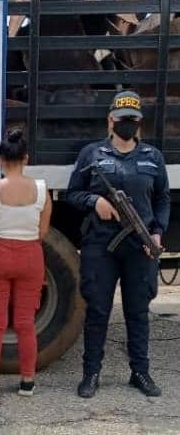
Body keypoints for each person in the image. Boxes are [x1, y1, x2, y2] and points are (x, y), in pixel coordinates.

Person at [66, 90, 170, 398]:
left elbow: (162, 198)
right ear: (110, 120)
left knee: (137, 311)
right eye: (122, 119)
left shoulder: (152, 157)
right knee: (98, 311)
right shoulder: (92, 154)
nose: (127, 124)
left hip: (140, 245)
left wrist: (157, 233)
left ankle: (140, 372)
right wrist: (95, 201)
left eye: (133, 120)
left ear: (139, 123)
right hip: (101, 244)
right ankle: (91, 374)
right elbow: (73, 194)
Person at [0, 129, 52, 399]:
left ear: (0, 159)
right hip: (30, 255)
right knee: (25, 323)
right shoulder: (42, 189)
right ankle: (27, 382)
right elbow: (43, 232)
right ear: (26, 159)